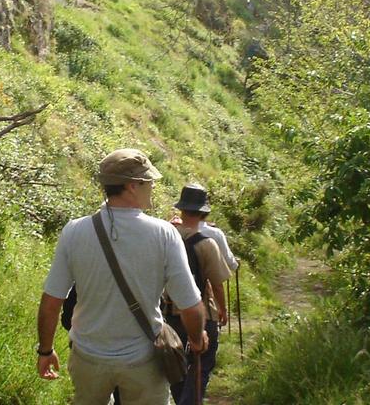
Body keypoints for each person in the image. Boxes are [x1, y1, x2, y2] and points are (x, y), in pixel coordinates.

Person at [37, 148, 209, 405]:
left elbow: (52, 301)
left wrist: (45, 350)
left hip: (88, 356)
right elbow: (190, 307)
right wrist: (196, 339)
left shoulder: (74, 231)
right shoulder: (164, 234)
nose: (152, 186)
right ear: (131, 186)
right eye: (148, 181)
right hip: (143, 360)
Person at [165, 183, 231, 405]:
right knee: (202, 364)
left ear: (181, 210)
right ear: (204, 212)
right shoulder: (206, 243)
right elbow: (217, 283)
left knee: (175, 365)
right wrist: (222, 309)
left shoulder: (164, 237)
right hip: (202, 312)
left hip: (169, 314)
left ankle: (182, 398)